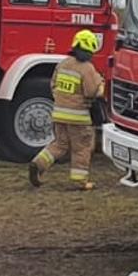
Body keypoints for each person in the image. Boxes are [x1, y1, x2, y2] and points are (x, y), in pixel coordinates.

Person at [29, 30, 105, 190]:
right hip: (79, 118)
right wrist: (101, 85)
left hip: (59, 114)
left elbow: (53, 85)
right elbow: (91, 92)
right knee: (82, 148)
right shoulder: (87, 68)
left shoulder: (63, 64)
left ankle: (39, 163)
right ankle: (79, 181)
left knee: (60, 144)